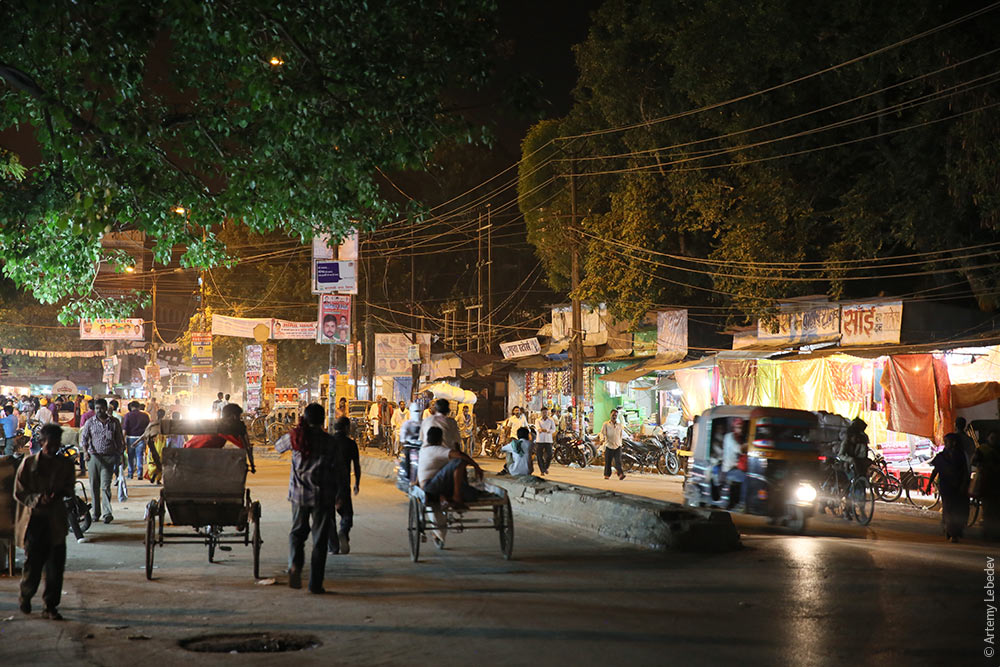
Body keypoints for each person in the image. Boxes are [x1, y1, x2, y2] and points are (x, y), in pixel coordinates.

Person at [274, 403, 341, 594]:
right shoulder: (330, 442)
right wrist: (340, 496)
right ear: (322, 420)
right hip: (323, 497)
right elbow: (340, 471)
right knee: (319, 541)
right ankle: (315, 584)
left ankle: (295, 565)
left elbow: (278, 446)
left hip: (298, 495)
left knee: (297, 533)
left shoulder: (296, 437)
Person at [14, 423, 75, 620]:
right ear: (41, 442)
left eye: (57, 445)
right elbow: (19, 492)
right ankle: (26, 595)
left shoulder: (65, 464)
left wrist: (60, 493)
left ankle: (50, 606)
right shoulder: (29, 464)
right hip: (35, 523)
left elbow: (69, 487)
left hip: (56, 522)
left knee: (55, 568)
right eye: (50, 445)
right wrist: (38, 499)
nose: (54, 449)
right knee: (33, 566)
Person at [80, 398, 126, 524]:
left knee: (105, 486)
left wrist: (120, 455)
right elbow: (84, 439)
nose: (99, 411)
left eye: (101, 408)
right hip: (94, 458)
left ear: (106, 408)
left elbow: (119, 440)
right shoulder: (90, 422)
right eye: (97, 408)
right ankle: (96, 513)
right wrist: (85, 453)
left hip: (109, 458)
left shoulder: (114, 422)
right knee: (94, 486)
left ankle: (107, 513)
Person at [418, 426, 484, 510]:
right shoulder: (436, 449)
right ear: (441, 439)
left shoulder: (423, 450)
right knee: (458, 461)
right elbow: (459, 455)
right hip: (431, 485)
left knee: (472, 494)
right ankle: (456, 496)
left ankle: (447, 497)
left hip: (429, 486)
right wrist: (476, 466)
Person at [184, 403, 256, 474]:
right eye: (239, 417)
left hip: (192, 450)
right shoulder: (224, 427)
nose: (239, 420)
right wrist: (243, 431)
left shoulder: (218, 423)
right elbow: (243, 446)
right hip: (197, 454)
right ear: (233, 416)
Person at [928, 433, 971, 543]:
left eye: (947, 441)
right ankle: (952, 532)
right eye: (945, 442)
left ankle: (955, 530)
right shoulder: (942, 456)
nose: (946, 444)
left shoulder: (961, 456)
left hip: (959, 487)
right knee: (948, 509)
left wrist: (964, 484)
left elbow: (966, 472)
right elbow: (936, 470)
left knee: (957, 510)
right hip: (946, 487)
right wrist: (929, 484)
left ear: (954, 442)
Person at [328, 417, 361, 555]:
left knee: (329, 518)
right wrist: (357, 483)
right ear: (347, 428)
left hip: (327, 484)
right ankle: (343, 532)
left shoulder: (327, 442)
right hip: (343, 483)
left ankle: (334, 547)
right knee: (347, 515)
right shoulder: (351, 444)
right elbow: (356, 466)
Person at [974, 432, 1000, 541]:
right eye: (992, 438)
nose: (994, 440)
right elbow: (974, 461)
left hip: (997, 484)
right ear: (987, 438)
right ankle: (988, 532)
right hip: (987, 483)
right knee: (987, 509)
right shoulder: (982, 450)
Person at [721, 418, 747, 509]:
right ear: (734, 427)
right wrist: (749, 445)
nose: (740, 429)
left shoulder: (739, 437)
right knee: (746, 478)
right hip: (729, 469)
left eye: (742, 427)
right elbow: (738, 449)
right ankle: (742, 503)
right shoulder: (730, 437)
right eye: (739, 427)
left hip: (736, 467)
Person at [122, 401, 151, 480]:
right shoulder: (145, 415)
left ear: (131, 407)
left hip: (130, 438)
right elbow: (149, 428)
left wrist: (122, 439)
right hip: (141, 438)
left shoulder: (127, 415)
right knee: (139, 456)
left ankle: (130, 474)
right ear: (138, 407)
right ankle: (139, 474)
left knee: (131, 457)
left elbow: (125, 429)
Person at [140, 409, 168, 484]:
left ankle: (153, 474)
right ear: (164, 415)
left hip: (154, 443)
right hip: (162, 443)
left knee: (153, 460)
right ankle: (158, 479)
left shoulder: (153, 422)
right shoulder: (165, 423)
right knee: (161, 460)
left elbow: (147, 432)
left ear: (157, 414)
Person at [599, 408, 628, 480]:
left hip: (618, 445)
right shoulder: (606, 424)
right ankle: (607, 475)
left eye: (615, 415)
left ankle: (621, 474)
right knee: (608, 462)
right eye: (613, 415)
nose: (614, 416)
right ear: (610, 415)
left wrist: (626, 439)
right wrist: (602, 439)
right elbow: (602, 433)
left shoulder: (619, 425)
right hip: (609, 445)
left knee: (618, 461)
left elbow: (622, 434)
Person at [534, 407, 556, 475]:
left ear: (548, 412)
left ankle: (545, 467)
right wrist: (543, 430)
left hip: (548, 440)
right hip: (540, 440)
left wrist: (547, 430)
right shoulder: (537, 420)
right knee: (539, 456)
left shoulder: (551, 420)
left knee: (549, 455)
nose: (545, 414)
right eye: (543, 412)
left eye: (546, 412)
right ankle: (542, 470)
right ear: (541, 413)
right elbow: (538, 429)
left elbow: (553, 429)